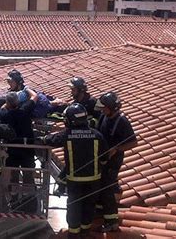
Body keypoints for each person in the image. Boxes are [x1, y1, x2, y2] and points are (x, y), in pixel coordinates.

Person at [40, 103, 109, 238]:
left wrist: (41, 138)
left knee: (74, 207)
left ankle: (73, 234)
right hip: (94, 180)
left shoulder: (67, 134)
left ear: (70, 120)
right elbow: (104, 157)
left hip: (75, 181)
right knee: (89, 207)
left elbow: (50, 140)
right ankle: (85, 232)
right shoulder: (97, 135)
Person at [94, 92, 138, 232]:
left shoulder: (122, 121)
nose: (102, 110)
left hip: (113, 162)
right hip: (102, 159)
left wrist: (116, 149)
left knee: (108, 189)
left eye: (104, 108)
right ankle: (101, 214)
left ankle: (112, 221)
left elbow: (133, 142)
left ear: (111, 107)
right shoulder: (104, 117)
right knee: (100, 187)